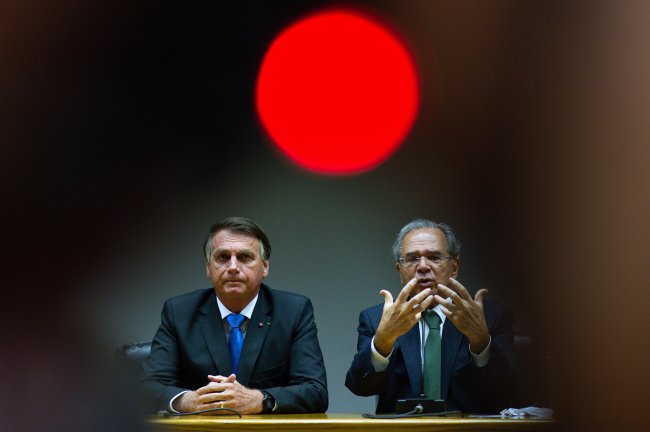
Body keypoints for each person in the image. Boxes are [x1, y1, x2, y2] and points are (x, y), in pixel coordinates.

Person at [141, 217, 328, 414]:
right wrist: (185, 400)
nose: (232, 267)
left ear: (265, 267)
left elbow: (315, 391)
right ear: (208, 267)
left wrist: (259, 399)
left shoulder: (293, 311)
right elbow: (147, 388)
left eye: (245, 257)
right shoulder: (179, 312)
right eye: (222, 257)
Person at [345, 219, 516, 414]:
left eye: (434, 257)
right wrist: (383, 341)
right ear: (400, 271)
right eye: (412, 259)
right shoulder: (377, 318)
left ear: (455, 266)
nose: (423, 267)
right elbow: (359, 386)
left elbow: (508, 391)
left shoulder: (490, 316)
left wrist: (481, 342)